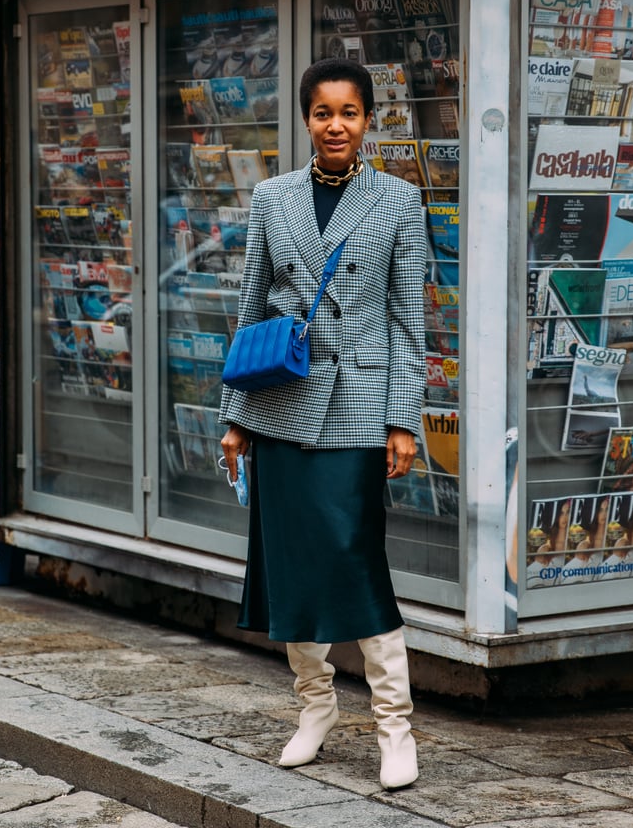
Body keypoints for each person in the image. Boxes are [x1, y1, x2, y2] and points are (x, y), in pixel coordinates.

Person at [219, 57, 427, 791]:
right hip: (280, 405)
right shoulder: (272, 198)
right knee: (291, 564)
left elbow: (410, 323)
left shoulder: (399, 202)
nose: (335, 125)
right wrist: (235, 417)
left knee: (355, 558)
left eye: (348, 112)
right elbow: (251, 313)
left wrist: (403, 421)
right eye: (321, 112)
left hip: (360, 405)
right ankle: (314, 709)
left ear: (369, 119)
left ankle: (394, 726)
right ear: (305, 119)